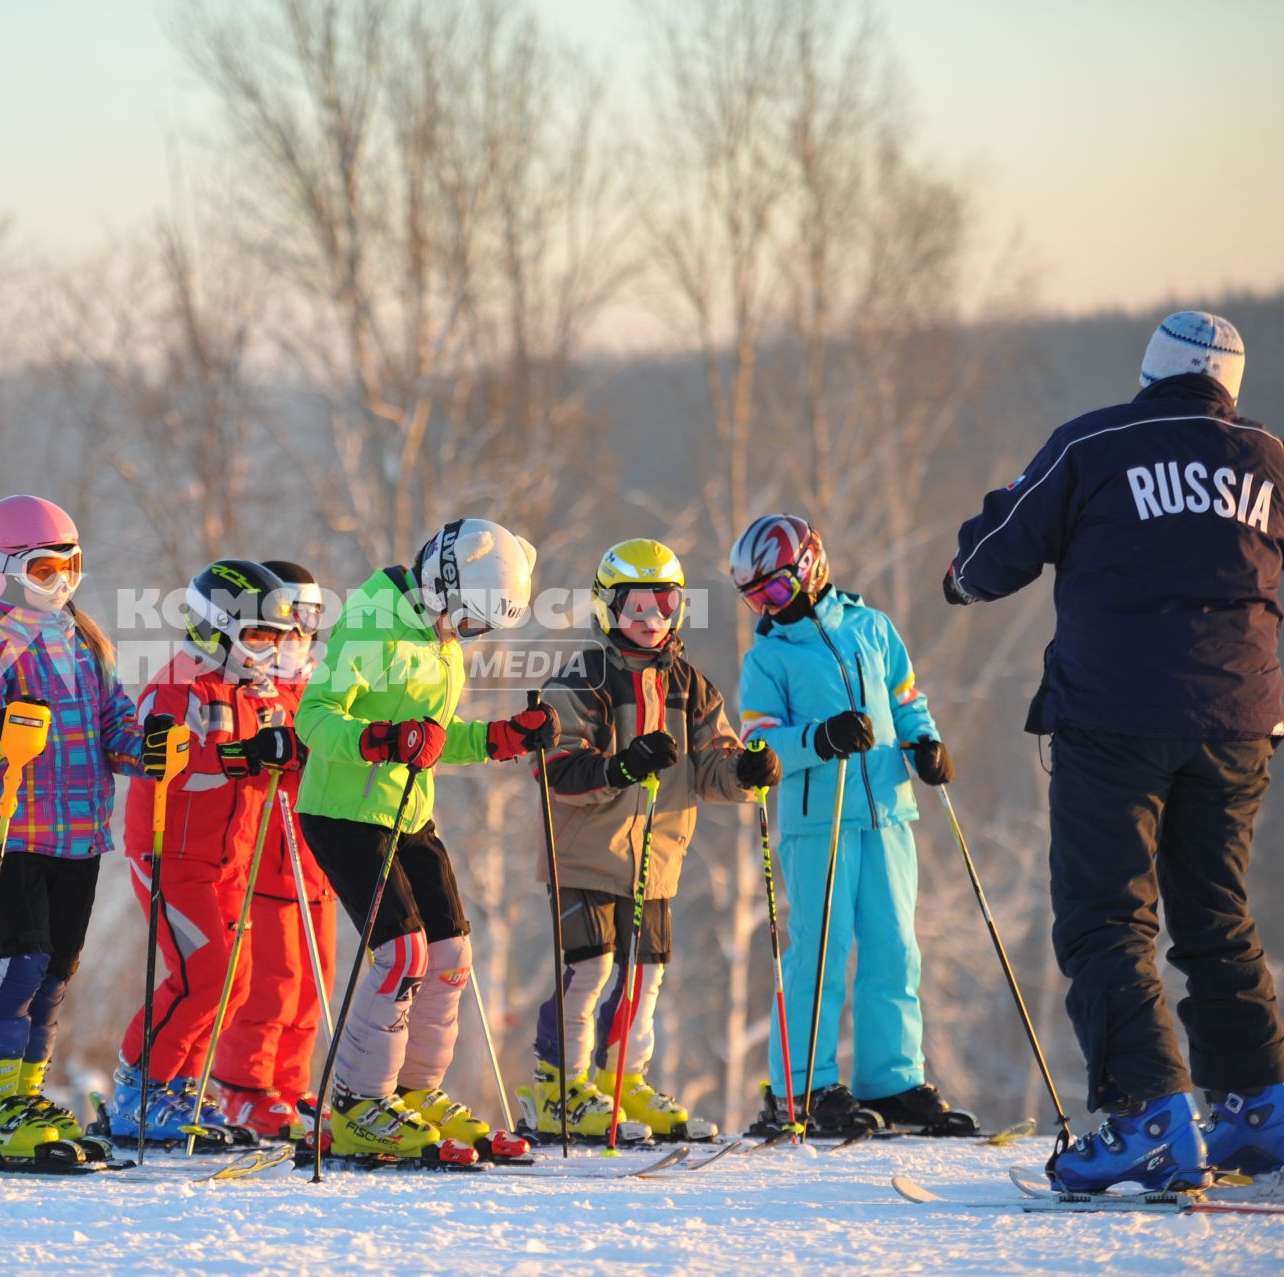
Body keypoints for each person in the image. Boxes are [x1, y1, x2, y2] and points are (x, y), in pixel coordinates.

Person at [946, 311, 1284, 1190]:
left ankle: (1147, 1119)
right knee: (1217, 913)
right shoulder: (1273, 459)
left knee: (1107, 916)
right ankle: (1259, 1114)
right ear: (1232, 384)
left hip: (1116, 719)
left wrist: (958, 575)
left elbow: (991, 557)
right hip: (1243, 720)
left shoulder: (1096, 442)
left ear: (1150, 368)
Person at [295, 517, 553, 1162]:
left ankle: (414, 1092)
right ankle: (358, 1106)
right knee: (403, 954)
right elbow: (314, 718)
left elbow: (430, 739)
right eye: (469, 621)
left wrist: (498, 738)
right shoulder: (373, 621)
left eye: (480, 628)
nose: (468, 635)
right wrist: (382, 741)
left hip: (407, 811)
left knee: (450, 955)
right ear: (442, 586)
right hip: (343, 811)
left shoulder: (435, 632)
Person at [528, 539, 777, 1141]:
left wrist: (744, 772)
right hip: (587, 853)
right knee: (590, 969)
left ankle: (624, 1082)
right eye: (633, 608)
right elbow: (556, 766)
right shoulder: (584, 677)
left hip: (657, 859)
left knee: (645, 975)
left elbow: (712, 764)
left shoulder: (691, 686)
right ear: (606, 609)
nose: (648, 621)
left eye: (663, 605)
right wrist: (620, 766)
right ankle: (560, 1090)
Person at [732, 513, 966, 1136]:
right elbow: (759, 742)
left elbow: (907, 699)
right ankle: (804, 1085)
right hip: (818, 822)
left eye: (776, 590)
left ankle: (891, 1080)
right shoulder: (768, 658)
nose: (768, 606)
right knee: (821, 949)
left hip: (887, 810)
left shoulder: (874, 628)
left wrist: (925, 744)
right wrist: (820, 736)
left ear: (810, 568)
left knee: (895, 947)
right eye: (755, 597)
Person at [0, 495, 157, 1160]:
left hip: (79, 830)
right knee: (23, 959)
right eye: (42, 568)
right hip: (11, 827)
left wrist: (145, 747)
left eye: (71, 565)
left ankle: (23, 1092)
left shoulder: (84, 636)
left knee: (58, 967)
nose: (60, 581)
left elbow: (112, 720)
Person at [103, 559, 303, 1143]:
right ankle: (141, 1089)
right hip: (171, 854)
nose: (268, 649)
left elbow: (275, 769)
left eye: (276, 637)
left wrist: (298, 760)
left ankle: (181, 1091)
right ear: (217, 625)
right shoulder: (180, 683)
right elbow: (169, 765)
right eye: (258, 634)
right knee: (203, 975)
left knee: (234, 983)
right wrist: (245, 757)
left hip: (228, 860)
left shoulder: (256, 693)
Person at [209, 560, 338, 1139]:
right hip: (265, 856)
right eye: (288, 622)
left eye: (310, 621)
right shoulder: (252, 686)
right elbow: (235, 752)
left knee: (315, 981)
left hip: (319, 861)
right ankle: (244, 1087)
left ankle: (292, 1085)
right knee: (273, 981)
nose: (297, 636)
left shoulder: (323, 685)